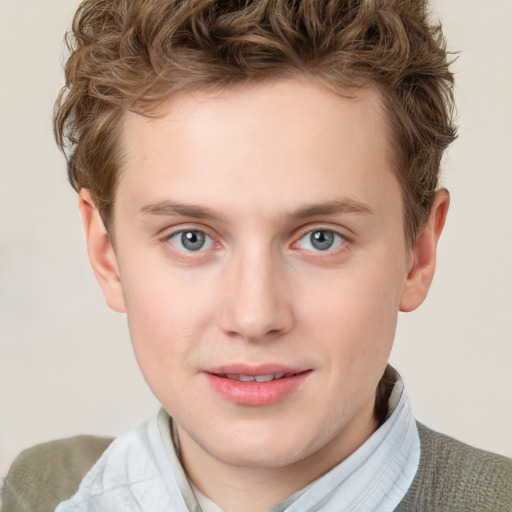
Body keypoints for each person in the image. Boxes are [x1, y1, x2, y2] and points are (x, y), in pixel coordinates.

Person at [2, 0, 511, 511]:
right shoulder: (38, 491)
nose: (254, 316)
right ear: (106, 252)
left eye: (320, 238)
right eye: (191, 238)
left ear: (417, 253)